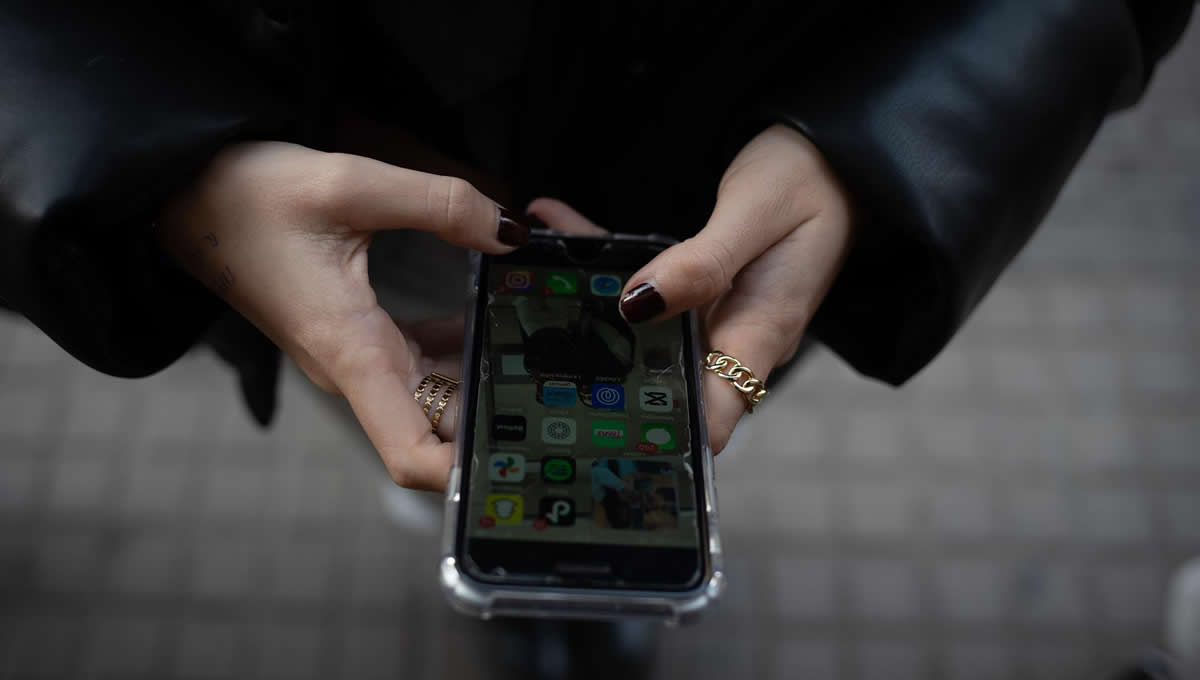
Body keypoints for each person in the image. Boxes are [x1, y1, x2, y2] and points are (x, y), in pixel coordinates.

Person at [0, 3, 1191, 486]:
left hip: (734, 184)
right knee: (403, 389)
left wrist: (888, 138)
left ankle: (544, 575)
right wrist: (165, 166)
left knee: (626, 421)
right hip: (333, 163)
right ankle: (450, 514)